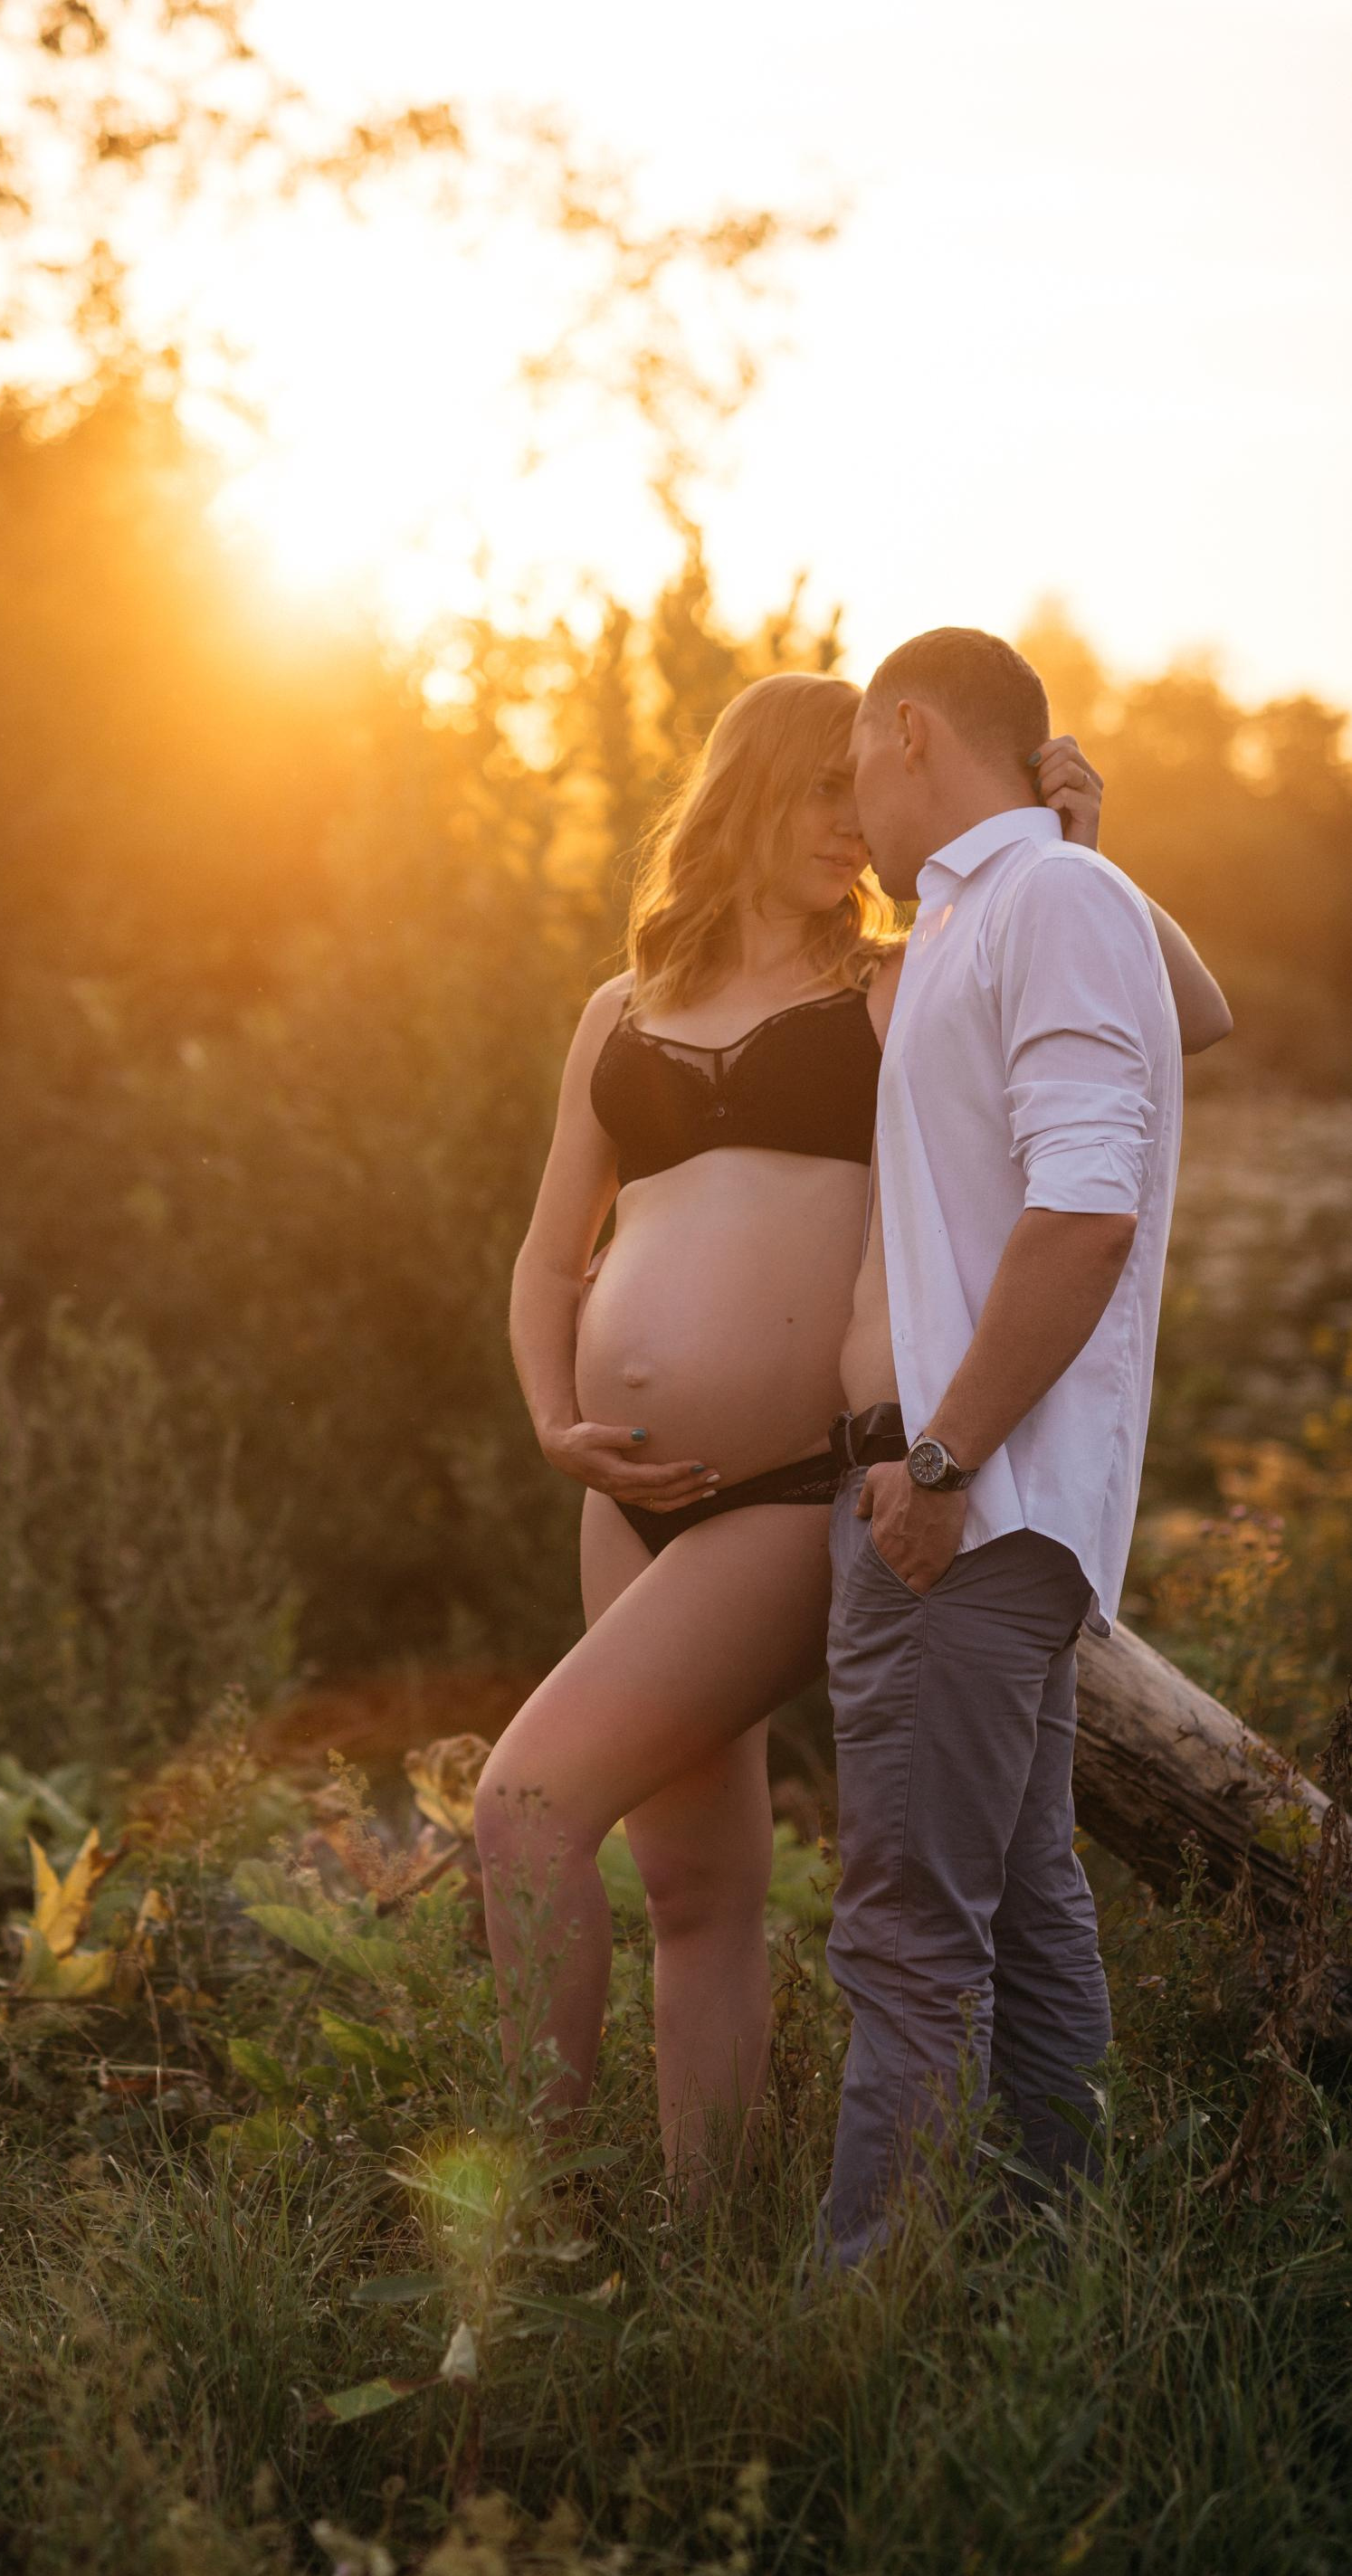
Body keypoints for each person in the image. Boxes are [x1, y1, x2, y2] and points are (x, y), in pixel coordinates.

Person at [475, 662, 1229, 2200]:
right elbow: (553, 1253)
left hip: (779, 1489)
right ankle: (707, 2246)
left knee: (525, 1807)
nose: (852, 825)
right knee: (698, 1892)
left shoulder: (903, 977)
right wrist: (557, 1422)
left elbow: (1188, 1020)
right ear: (746, 792)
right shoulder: (619, 1008)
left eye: (862, 787)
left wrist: (1067, 838)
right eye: (820, 793)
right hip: (623, 1496)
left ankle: (523, 2227)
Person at [822, 624, 1222, 2263]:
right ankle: (1036, 2293)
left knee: (912, 1931)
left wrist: (935, 1465)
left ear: (908, 729)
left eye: (852, 758)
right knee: (1028, 1903)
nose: (847, 799)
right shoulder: (1013, 904)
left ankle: (861, 2332)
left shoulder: (1043, 902)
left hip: (972, 1501)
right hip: (994, 1499)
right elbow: (1176, 1010)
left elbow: (1083, 1213)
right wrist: (1079, 850)